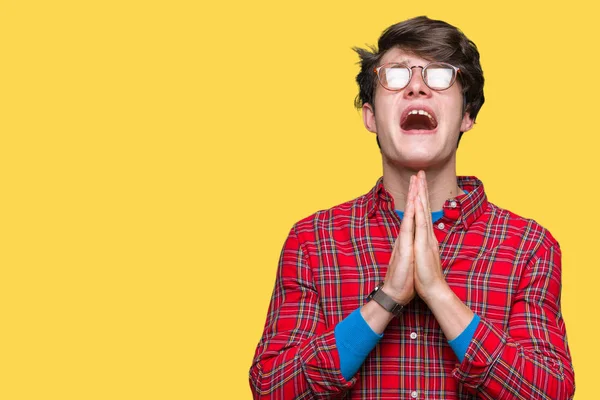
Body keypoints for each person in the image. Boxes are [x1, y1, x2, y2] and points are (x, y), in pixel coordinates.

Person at [249, 16, 575, 399]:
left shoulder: (528, 246)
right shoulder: (312, 241)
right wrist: (386, 299)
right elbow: (272, 388)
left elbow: (550, 392)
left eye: (439, 76)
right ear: (370, 116)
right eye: (397, 76)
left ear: (467, 115)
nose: (417, 87)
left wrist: (438, 292)